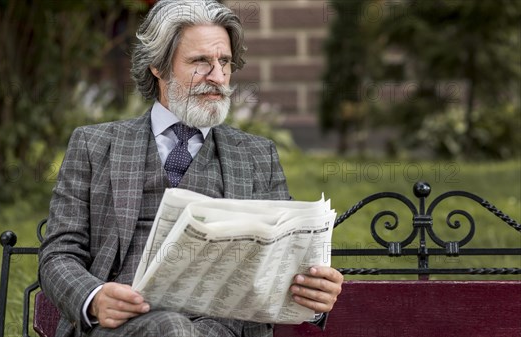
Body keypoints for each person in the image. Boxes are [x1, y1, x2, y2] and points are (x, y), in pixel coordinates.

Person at [38, 1, 343, 336]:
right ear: (158, 66)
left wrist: (312, 294)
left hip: (225, 329)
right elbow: (59, 254)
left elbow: (282, 263)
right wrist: (94, 298)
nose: (217, 77)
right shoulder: (94, 145)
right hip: (123, 327)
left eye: (224, 62)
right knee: (171, 327)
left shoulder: (257, 154)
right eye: (200, 62)